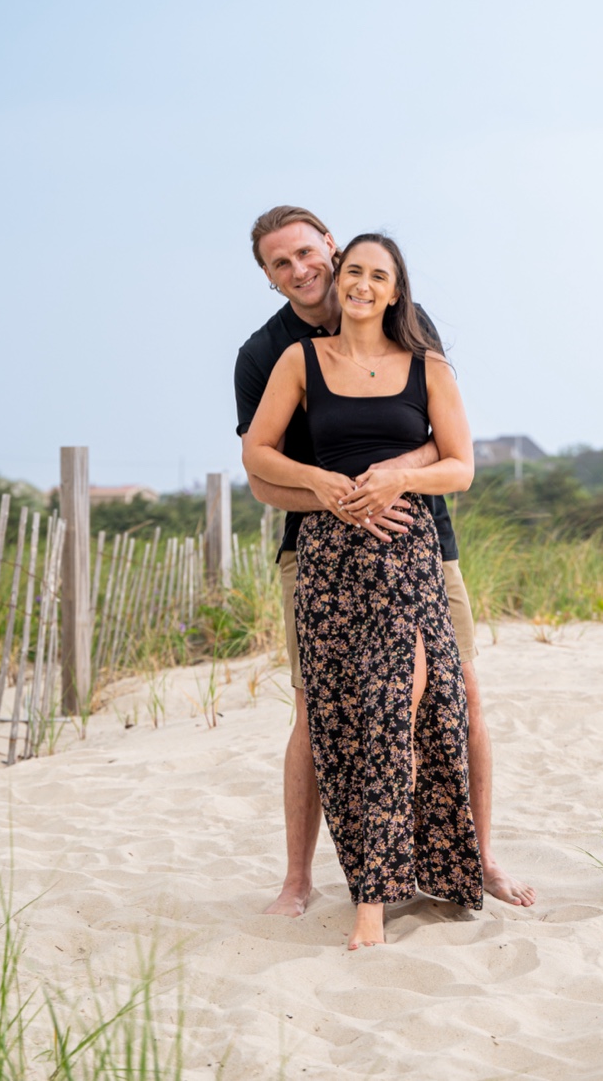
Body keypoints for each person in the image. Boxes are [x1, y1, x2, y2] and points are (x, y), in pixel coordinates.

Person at [234, 206, 535, 915]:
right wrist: (333, 497)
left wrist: (393, 475)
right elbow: (259, 473)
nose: (303, 269)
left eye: (309, 253)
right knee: (317, 709)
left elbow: (442, 429)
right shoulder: (267, 354)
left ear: (331, 249)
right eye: (283, 264)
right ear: (272, 280)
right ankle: (299, 879)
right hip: (318, 550)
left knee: (460, 691)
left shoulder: (399, 315)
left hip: (422, 541)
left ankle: (479, 858)